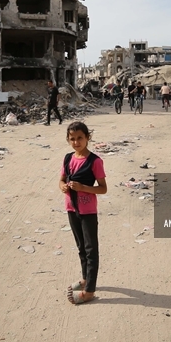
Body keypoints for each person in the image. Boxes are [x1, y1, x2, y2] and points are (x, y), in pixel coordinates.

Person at [59, 121, 107, 304]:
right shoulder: (68, 158)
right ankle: (85, 278)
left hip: (88, 211)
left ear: (88, 138)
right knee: (81, 247)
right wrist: (63, 186)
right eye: (72, 139)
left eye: (80, 138)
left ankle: (90, 291)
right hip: (71, 208)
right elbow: (61, 180)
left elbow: (103, 189)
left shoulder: (95, 161)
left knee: (91, 249)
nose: (76, 142)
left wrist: (83, 188)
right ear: (68, 140)